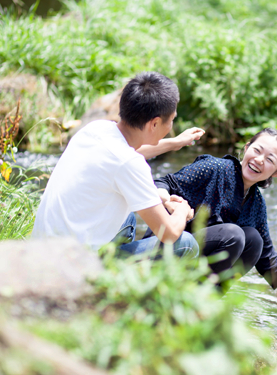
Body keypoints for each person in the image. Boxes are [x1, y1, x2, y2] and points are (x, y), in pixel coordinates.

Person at [148, 128, 277, 324]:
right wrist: (169, 202)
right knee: (234, 235)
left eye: (270, 159)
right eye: (257, 150)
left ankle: (201, 303)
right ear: (246, 148)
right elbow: (163, 182)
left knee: (254, 241)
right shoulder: (214, 168)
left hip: (191, 264)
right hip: (164, 250)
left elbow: (268, 259)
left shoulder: (256, 204)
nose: (259, 160)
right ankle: (184, 301)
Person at [32, 72, 204, 257]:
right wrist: (182, 210)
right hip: (74, 265)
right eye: (171, 120)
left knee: (127, 216)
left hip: (42, 251)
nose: (171, 126)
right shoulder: (129, 164)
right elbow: (169, 233)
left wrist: (175, 142)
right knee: (185, 243)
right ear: (154, 124)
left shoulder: (96, 129)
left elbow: (126, 156)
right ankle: (114, 281)